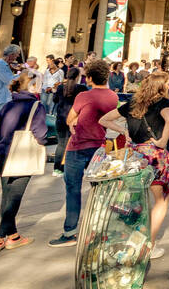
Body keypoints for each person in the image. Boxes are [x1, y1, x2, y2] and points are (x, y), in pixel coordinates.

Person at [99, 72, 169, 256]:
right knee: (161, 200)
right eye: (167, 84)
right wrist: (163, 140)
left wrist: (124, 131)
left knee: (137, 199)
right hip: (154, 155)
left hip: (135, 155)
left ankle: (132, 237)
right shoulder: (162, 103)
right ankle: (149, 244)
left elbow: (104, 120)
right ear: (159, 86)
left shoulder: (132, 104)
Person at [47, 59, 118, 246]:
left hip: (78, 146)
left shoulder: (84, 96)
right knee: (100, 190)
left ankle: (70, 232)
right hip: (99, 146)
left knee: (73, 189)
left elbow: (71, 118)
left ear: (91, 77)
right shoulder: (113, 97)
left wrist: (75, 121)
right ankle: (100, 230)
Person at [0, 72, 48, 254]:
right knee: (14, 197)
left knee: (6, 195)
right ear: (32, 86)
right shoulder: (36, 106)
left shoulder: (7, 105)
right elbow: (41, 134)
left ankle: (13, 235)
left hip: (4, 153)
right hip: (22, 154)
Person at [50, 65, 88, 175]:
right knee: (74, 144)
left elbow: (55, 100)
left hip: (61, 119)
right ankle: (69, 167)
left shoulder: (61, 87)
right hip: (74, 119)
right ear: (77, 77)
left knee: (61, 144)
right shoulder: (81, 88)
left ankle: (57, 169)